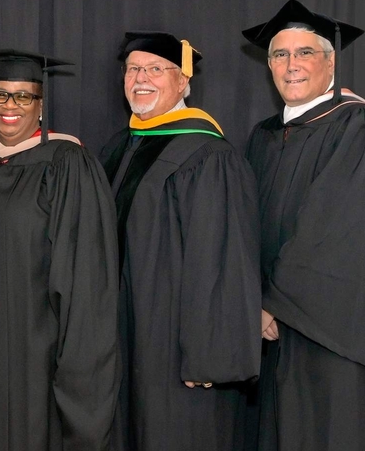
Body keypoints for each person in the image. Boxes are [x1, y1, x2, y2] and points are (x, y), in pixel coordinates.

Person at [242, 0, 365, 450]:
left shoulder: (364, 127)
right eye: (280, 54)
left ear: (330, 60)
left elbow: (338, 229)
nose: (291, 65)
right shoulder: (263, 137)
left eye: (305, 53)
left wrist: (270, 302)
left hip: (344, 344)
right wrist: (250, 299)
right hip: (277, 340)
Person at [0, 49, 119, 450]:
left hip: (36, 355)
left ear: (41, 106)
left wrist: (75, 366)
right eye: (0, 95)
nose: (10, 106)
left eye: (24, 97)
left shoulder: (67, 163)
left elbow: (85, 275)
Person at [101, 32, 261, 450]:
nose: (141, 78)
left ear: (183, 81)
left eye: (156, 69)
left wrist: (209, 354)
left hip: (175, 346)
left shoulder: (208, 155)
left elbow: (221, 256)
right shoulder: (121, 145)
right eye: (134, 68)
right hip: (123, 336)